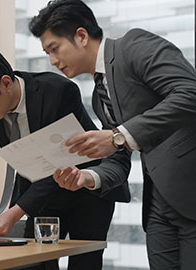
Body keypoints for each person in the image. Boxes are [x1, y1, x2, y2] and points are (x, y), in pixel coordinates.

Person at [29, 0, 196, 269]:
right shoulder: (99, 98)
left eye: (54, 48)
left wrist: (117, 136)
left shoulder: (134, 45)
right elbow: (119, 157)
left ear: (81, 36)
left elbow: (190, 93)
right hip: (157, 207)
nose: (53, 61)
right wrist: (87, 177)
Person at [0, 45, 131, 270]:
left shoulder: (58, 91)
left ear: (6, 83)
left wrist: (14, 213)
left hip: (84, 189)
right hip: (40, 195)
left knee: (84, 262)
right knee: (34, 262)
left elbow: (62, 161)